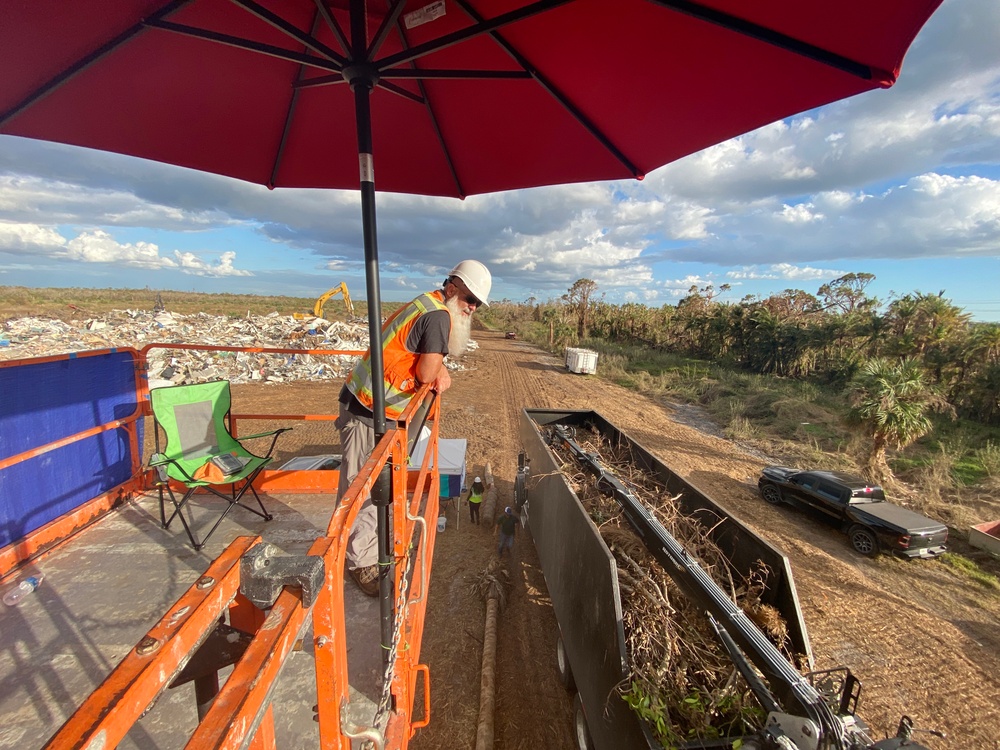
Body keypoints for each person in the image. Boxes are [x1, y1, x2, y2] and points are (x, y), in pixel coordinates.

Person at [337, 260, 492, 596]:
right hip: (367, 411)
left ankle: (361, 549)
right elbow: (425, 372)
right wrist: (438, 372)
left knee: (371, 486)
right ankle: (358, 563)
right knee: (363, 489)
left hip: (372, 408)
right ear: (452, 287)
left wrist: (438, 370)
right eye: (469, 298)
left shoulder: (427, 302)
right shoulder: (438, 316)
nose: (472, 307)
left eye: (477, 303)